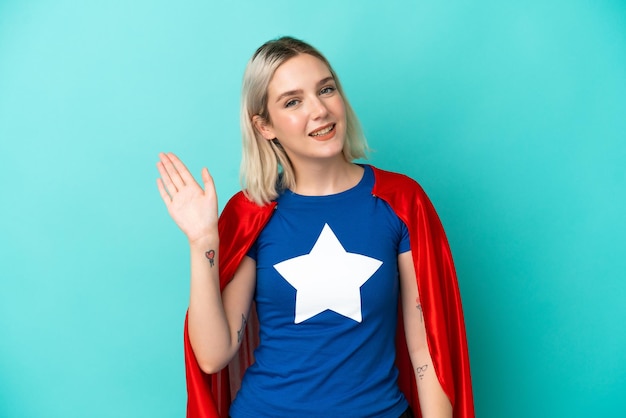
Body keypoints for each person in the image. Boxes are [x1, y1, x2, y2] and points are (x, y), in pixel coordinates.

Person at [156, 36, 474, 418]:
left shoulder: (400, 201)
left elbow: (427, 350)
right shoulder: (252, 213)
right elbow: (213, 355)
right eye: (293, 101)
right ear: (264, 126)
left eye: (326, 89)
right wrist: (203, 241)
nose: (319, 110)